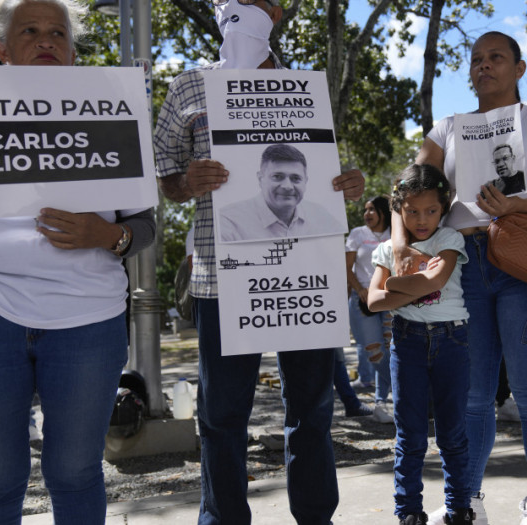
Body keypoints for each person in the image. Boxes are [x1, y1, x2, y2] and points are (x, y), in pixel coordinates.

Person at [152, 1, 365, 523]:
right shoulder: (188, 86)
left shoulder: (303, 89)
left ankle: (316, 516)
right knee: (222, 417)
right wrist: (187, 182)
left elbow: (322, 170)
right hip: (222, 279)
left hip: (304, 274)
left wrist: (350, 184)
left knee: (313, 409)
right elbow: (163, 178)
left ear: (276, 11)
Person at [0, 1, 156, 523]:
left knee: (75, 475)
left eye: (58, 33)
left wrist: (110, 235)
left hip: (89, 323)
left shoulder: (111, 109)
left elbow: (146, 226)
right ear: (0, 48)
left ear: (71, 51)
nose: (47, 40)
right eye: (30, 30)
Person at [397, 31, 527, 525]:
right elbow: (411, 191)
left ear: (519, 69)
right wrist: (402, 245)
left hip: (524, 259)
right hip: (465, 261)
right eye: (476, 59)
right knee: (473, 394)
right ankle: (467, 500)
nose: (484, 65)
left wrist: (519, 205)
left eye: (496, 57)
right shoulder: (446, 130)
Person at [367, 164, 472, 525]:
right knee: (410, 435)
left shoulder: (449, 241)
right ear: (400, 209)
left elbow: (434, 281)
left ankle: (460, 507)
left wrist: (397, 286)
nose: (422, 219)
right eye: (412, 211)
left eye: (431, 210)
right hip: (407, 344)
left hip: (452, 341)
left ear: (443, 208)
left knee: (452, 433)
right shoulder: (386, 249)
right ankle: (409, 511)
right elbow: (373, 302)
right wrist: (409, 286)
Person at [219, 143, 340, 241]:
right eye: (277, 176)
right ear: (260, 179)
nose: (287, 186)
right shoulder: (229, 222)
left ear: (305, 181)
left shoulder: (322, 218)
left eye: (295, 178)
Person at [345, 195, 394, 424]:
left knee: (391, 350)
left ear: (384, 211)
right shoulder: (357, 234)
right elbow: (346, 268)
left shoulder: (395, 233)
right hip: (362, 300)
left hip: (390, 300)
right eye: (365, 209)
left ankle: (380, 404)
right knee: (376, 353)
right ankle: (408, 389)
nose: (367, 214)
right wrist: (360, 290)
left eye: (372, 209)